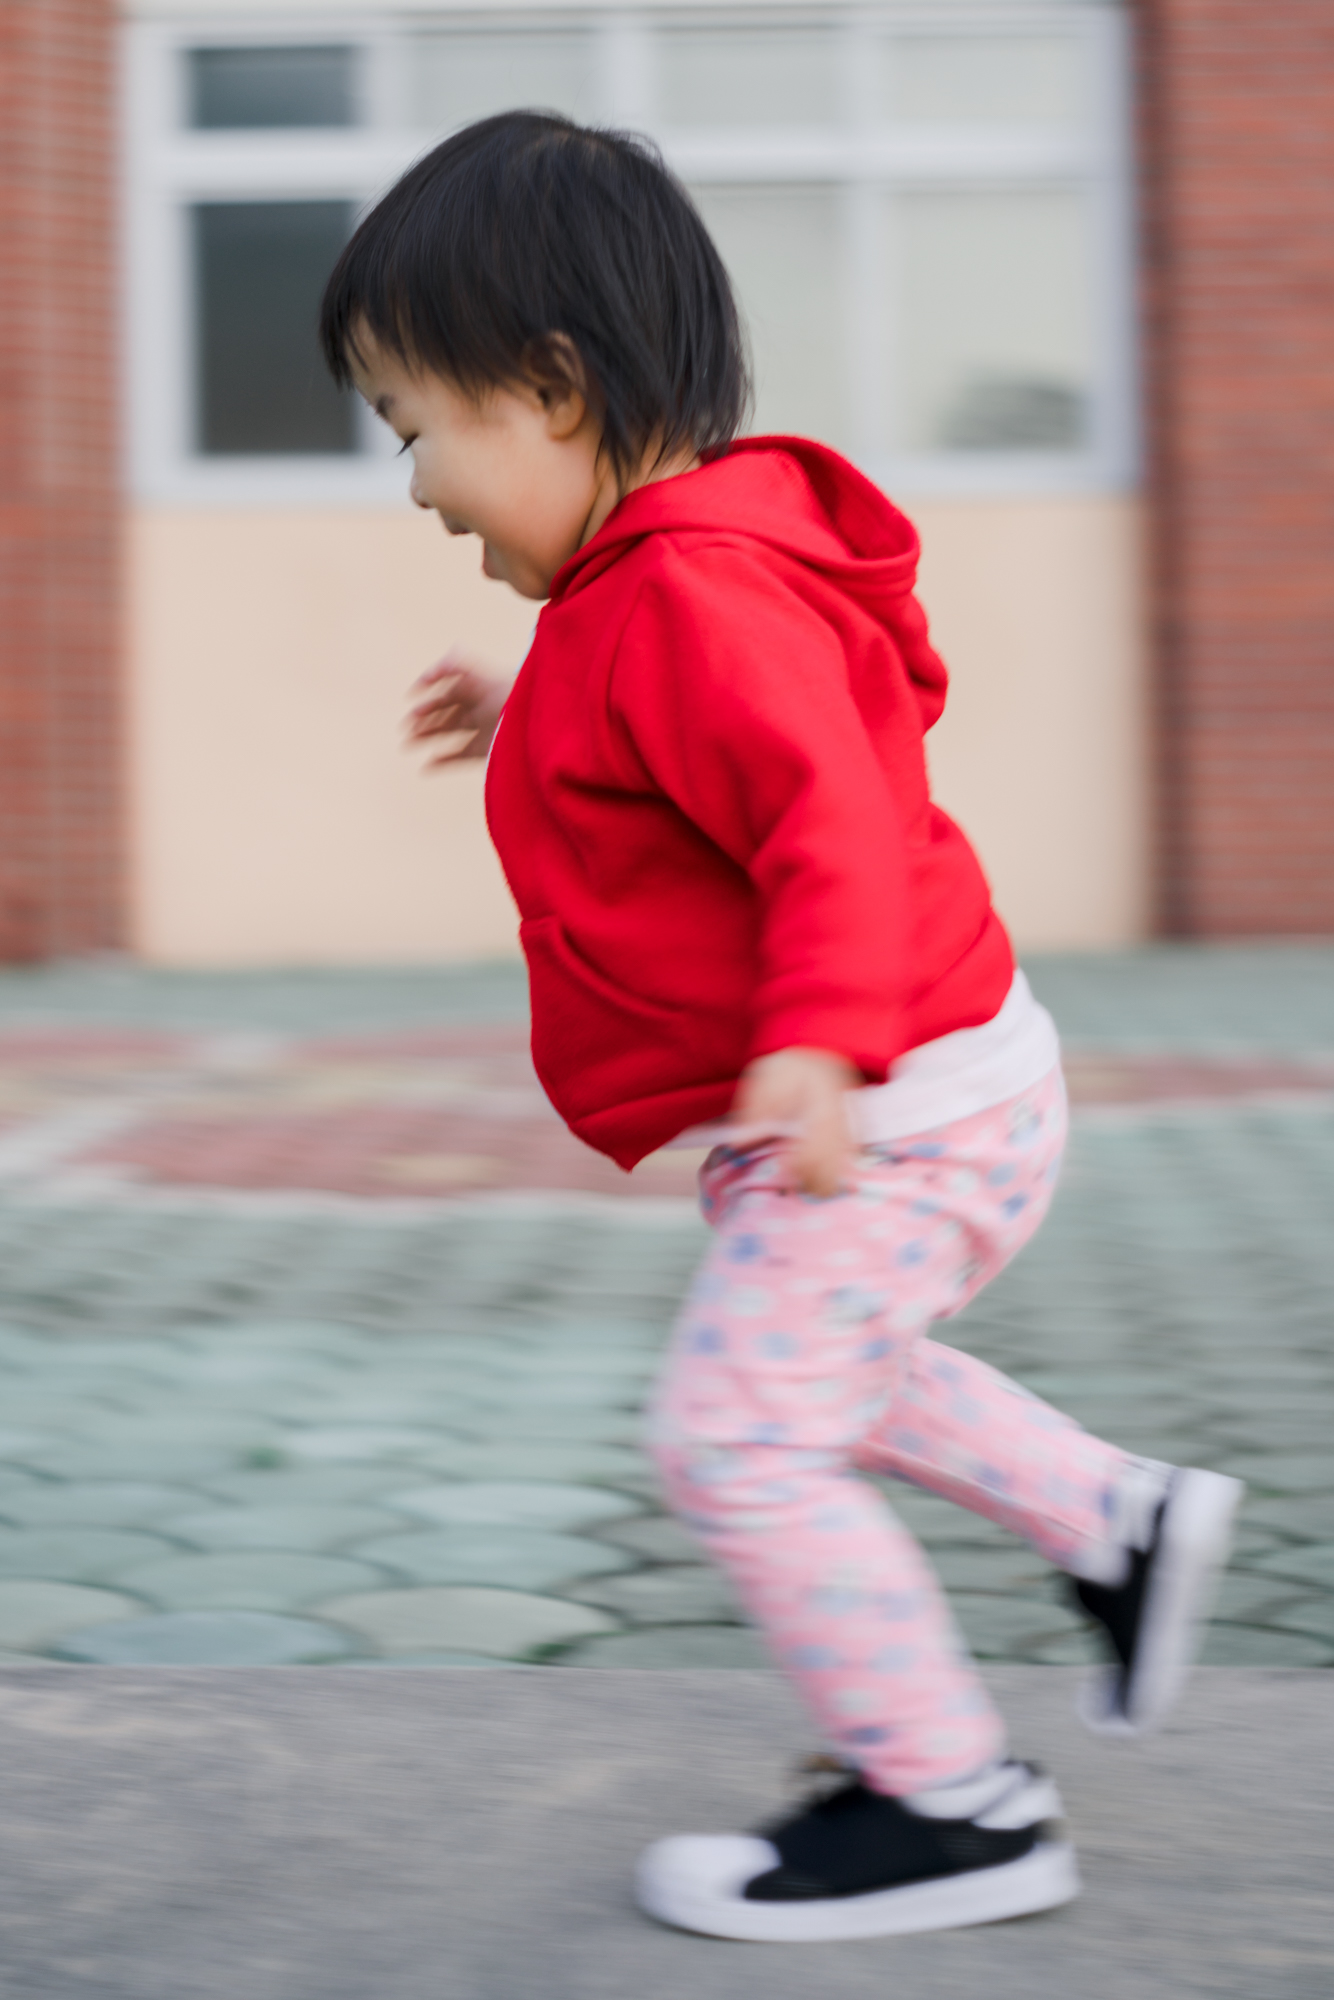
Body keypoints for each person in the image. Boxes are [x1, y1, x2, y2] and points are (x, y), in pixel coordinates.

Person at [319, 111, 1242, 1945]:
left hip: (892, 1100)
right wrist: (526, 709)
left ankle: (951, 1802)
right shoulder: (651, 586)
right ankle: (1116, 1520)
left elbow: (831, 821)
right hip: (917, 1094)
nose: (414, 485)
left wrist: (813, 1044)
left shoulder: (691, 588)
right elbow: (676, 751)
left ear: (552, 387)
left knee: (731, 1436)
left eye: (416, 426)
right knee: (828, 1375)